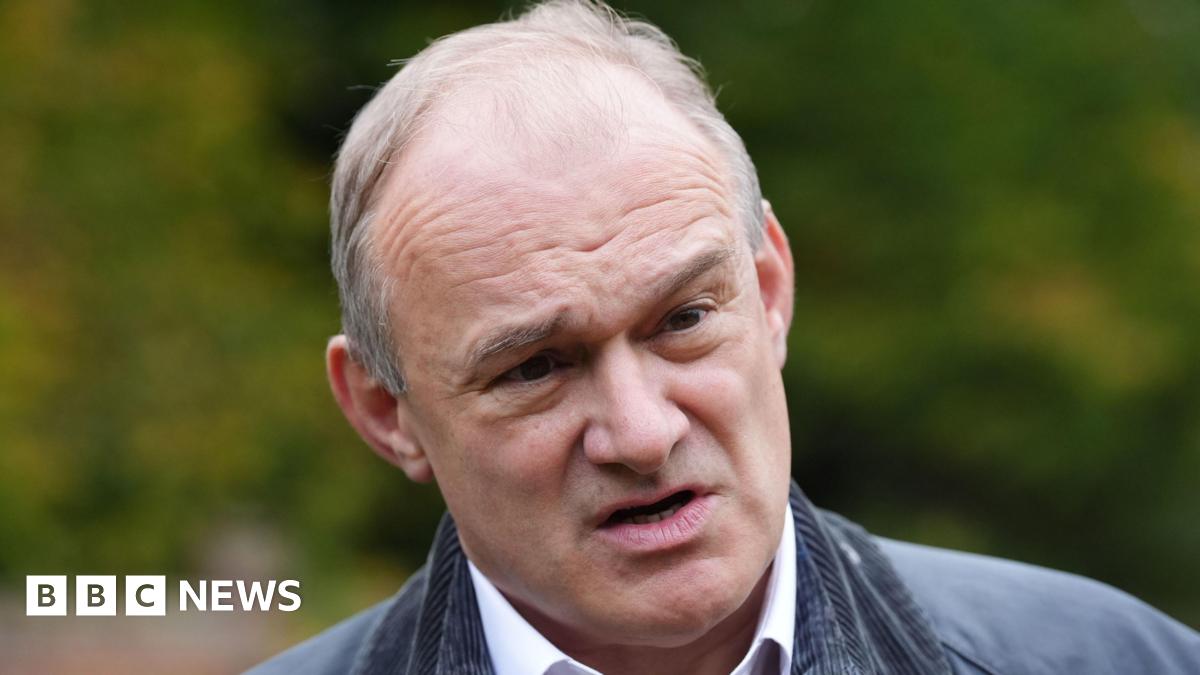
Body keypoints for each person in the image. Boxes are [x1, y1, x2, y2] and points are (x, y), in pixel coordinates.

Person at [249, 2, 1200, 673]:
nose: (643, 431)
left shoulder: (1114, 659)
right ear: (386, 410)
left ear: (771, 287)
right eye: (535, 366)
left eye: (684, 320)